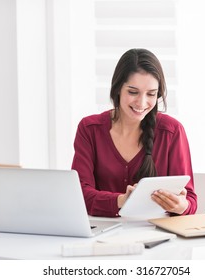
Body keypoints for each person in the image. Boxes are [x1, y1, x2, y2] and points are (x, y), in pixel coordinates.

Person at [71, 48, 197, 217]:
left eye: (151, 94)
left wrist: (181, 206)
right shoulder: (89, 129)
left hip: (157, 236)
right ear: (117, 89)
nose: (142, 103)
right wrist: (122, 200)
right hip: (100, 235)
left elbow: (190, 201)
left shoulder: (172, 131)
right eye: (133, 92)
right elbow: (79, 196)